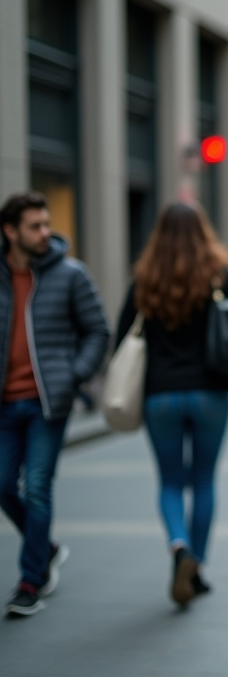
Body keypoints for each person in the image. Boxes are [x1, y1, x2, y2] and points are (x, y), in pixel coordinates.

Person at [114, 203, 228, 606]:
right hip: (210, 392)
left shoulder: (145, 278)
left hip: (160, 395)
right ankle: (198, 567)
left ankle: (178, 547)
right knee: (204, 481)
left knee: (170, 481)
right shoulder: (220, 272)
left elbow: (122, 336)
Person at [0, 193, 109, 618]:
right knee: (4, 485)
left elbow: (98, 331)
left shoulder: (70, 275)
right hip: (5, 405)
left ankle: (32, 579)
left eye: (46, 224)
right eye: (35, 226)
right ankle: (45, 547)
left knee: (38, 486)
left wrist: (73, 376)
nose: (45, 233)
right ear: (10, 232)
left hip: (48, 402)